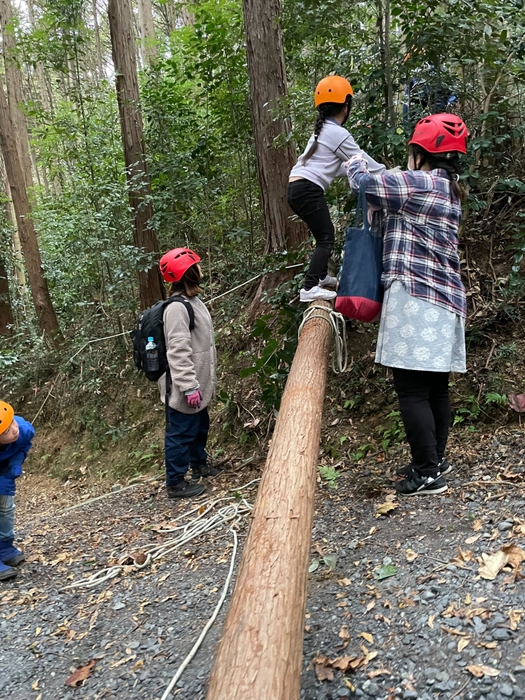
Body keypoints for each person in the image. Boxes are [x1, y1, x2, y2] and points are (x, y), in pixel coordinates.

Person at [345, 113, 468, 496]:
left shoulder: (419, 183)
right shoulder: (447, 188)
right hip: (446, 301)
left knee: (412, 391)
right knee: (434, 389)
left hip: (416, 298)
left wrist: (352, 159)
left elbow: (365, 183)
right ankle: (433, 459)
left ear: (420, 153)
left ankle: (427, 472)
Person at [288, 75, 387, 302]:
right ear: (346, 106)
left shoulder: (323, 132)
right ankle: (309, 287)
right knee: (326, 236)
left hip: (297, 187)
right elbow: (361, 160)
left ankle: (321, 276)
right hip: (307, 188)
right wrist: (388, 174)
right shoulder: (337, 133)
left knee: (321, 232)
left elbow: (343, 167)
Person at [158, 248, 220, 499]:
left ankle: (199, 464)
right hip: (185, 385)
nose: (201, 270)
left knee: (199, 426)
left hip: (199, 381)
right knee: (180, 432)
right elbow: (178, 350)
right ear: (189, 273)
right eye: (197, 267)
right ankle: (175, 483)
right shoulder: (176, 309)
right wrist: (188, 386)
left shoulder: (193, 302)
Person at [0, 401, 35, 580]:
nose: (14, 429)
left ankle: (4, 547)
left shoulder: (23, 429)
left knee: (6, 508)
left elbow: (23, 446)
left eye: (12, 421)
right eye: (6, 431)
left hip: (3, 467)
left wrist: (15, 463)